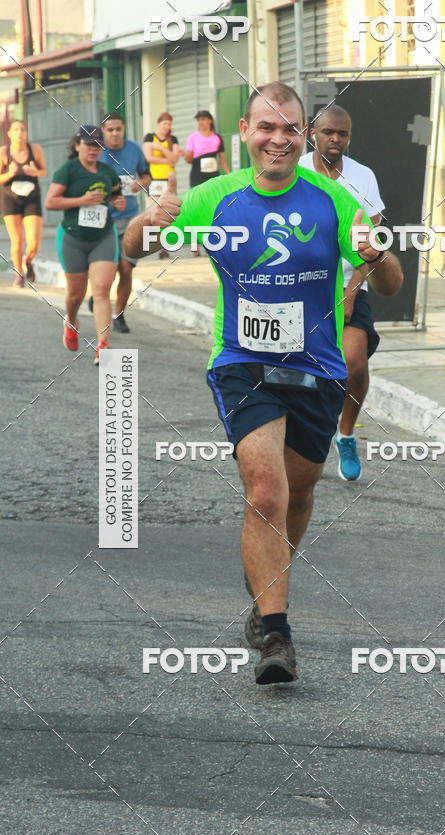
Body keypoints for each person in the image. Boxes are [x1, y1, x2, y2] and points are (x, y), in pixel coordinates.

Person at [124, 82, 403, 685]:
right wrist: (150, 220)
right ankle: (277, 633)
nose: (278, 138)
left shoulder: (334, 198)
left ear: (302, 136)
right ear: (245, 134)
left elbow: (390, 285)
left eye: (289, 129)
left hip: (318, 368)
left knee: (299, 493)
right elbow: (133, 249)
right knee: (265, 493)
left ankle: (264, 589)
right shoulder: (215, 197)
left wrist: (376, 253)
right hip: (242, 363)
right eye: (265, 128)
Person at [299, 105, 385, 482]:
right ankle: (301, 435)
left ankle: (346, 434)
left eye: (343, 134)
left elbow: (373, 244)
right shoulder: (296, 171)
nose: (336, 140)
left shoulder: (364, 177)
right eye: (329, 132)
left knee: (356, 363)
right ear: (311, 133)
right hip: (302, 286)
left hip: (349, 284)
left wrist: (351, 292)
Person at [45, 125, 126, 364]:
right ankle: (71, 320)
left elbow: (114, 196)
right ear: (78, 145)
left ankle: (103, 345)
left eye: (97, 145)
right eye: (89, 144)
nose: (93, 149)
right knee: (76, 293)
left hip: (103, 235)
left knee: (101, 289)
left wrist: (117, 202)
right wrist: (81, 200)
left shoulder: (107, 172)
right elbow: (50, 202)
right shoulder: (67, 171)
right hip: (73, 237)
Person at [85, 112, 152, 334]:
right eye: (110, 129)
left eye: (118, 129)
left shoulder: (134, 149)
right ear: (103, 131)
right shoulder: (96, 152)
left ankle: (119, 314)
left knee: (126, 268)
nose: (114, 133)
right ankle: (99, 295)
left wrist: (139, 184)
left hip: (131, 218)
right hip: (103, 220)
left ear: (123, 129)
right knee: (108, 269)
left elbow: (147, 176)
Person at [0, 119, 46, 287]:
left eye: (22, 130)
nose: (20, 133)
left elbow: (43, 171)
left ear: (26, 133)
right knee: (17, 240)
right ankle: (19, 274)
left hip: (32, 198)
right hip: (11, 199)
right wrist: (10, 173)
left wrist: (35, 171)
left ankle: (29, 260)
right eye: (16, 130)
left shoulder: (35, 150)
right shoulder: (4, 153)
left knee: (33, 242)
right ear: (10, 134)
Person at [143, 112, 180, 259]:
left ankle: (164, 247)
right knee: (154, 211)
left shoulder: (173, 139)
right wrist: (167, 159)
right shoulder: (149, 137)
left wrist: (161, 148)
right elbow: (149, 157)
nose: (167, 126)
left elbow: (175, 159)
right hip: (155, 179)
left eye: (169, 124)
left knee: (167, 213)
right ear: (159, 123)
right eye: (165, 123)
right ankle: (153, 243)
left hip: (169, 180)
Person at [183, 110, 230, 189]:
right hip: (197, 176)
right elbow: (189, 160)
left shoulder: (217, 137)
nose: (200, 122)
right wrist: (185, 155)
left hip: (213, 176)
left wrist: (229, 174)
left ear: (210, 121)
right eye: (198, 120)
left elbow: (223, 161)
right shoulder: (192, 137)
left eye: (203, 119)